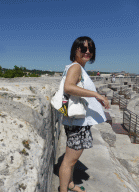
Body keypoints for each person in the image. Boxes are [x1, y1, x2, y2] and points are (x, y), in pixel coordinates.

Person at [58, 36, 110, 192]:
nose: (88, 52)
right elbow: (68, 87)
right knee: (69, 161)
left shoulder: (76, 67)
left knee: (71, 161)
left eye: (91, 49)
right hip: (77, 123)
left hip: (76, 121)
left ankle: (71, 184)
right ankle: (63, 190)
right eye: (84, 48)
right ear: (76, 50)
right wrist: (97, 95)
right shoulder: (76, 67)